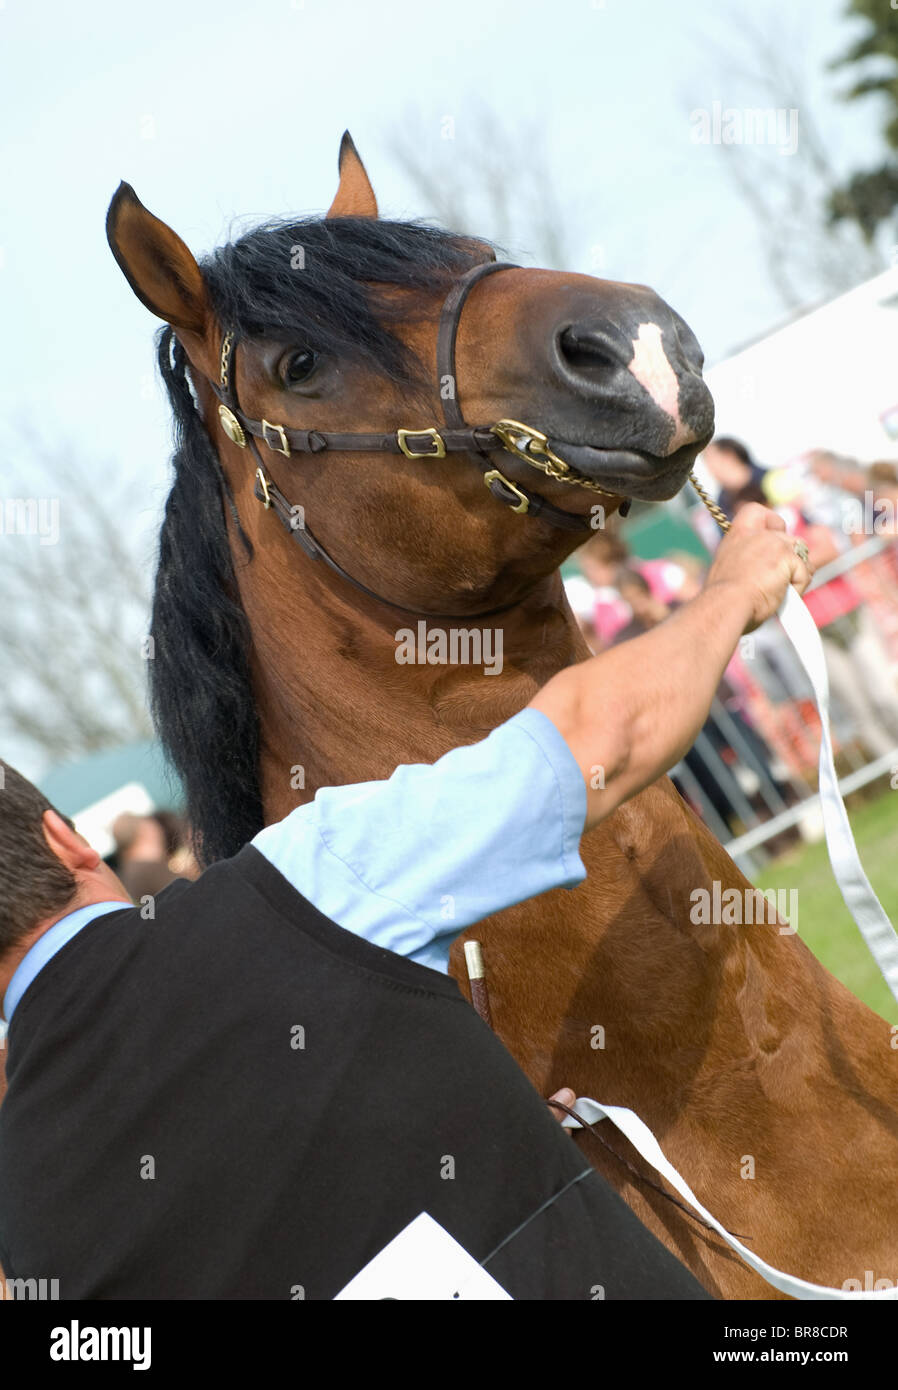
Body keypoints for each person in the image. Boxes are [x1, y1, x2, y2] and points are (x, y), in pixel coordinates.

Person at [0, 504, 811, 1301]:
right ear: (68, 842)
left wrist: (460, 1111)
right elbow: (601, 737)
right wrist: (730, 596)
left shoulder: (23, 1227)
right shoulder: (305, 880)